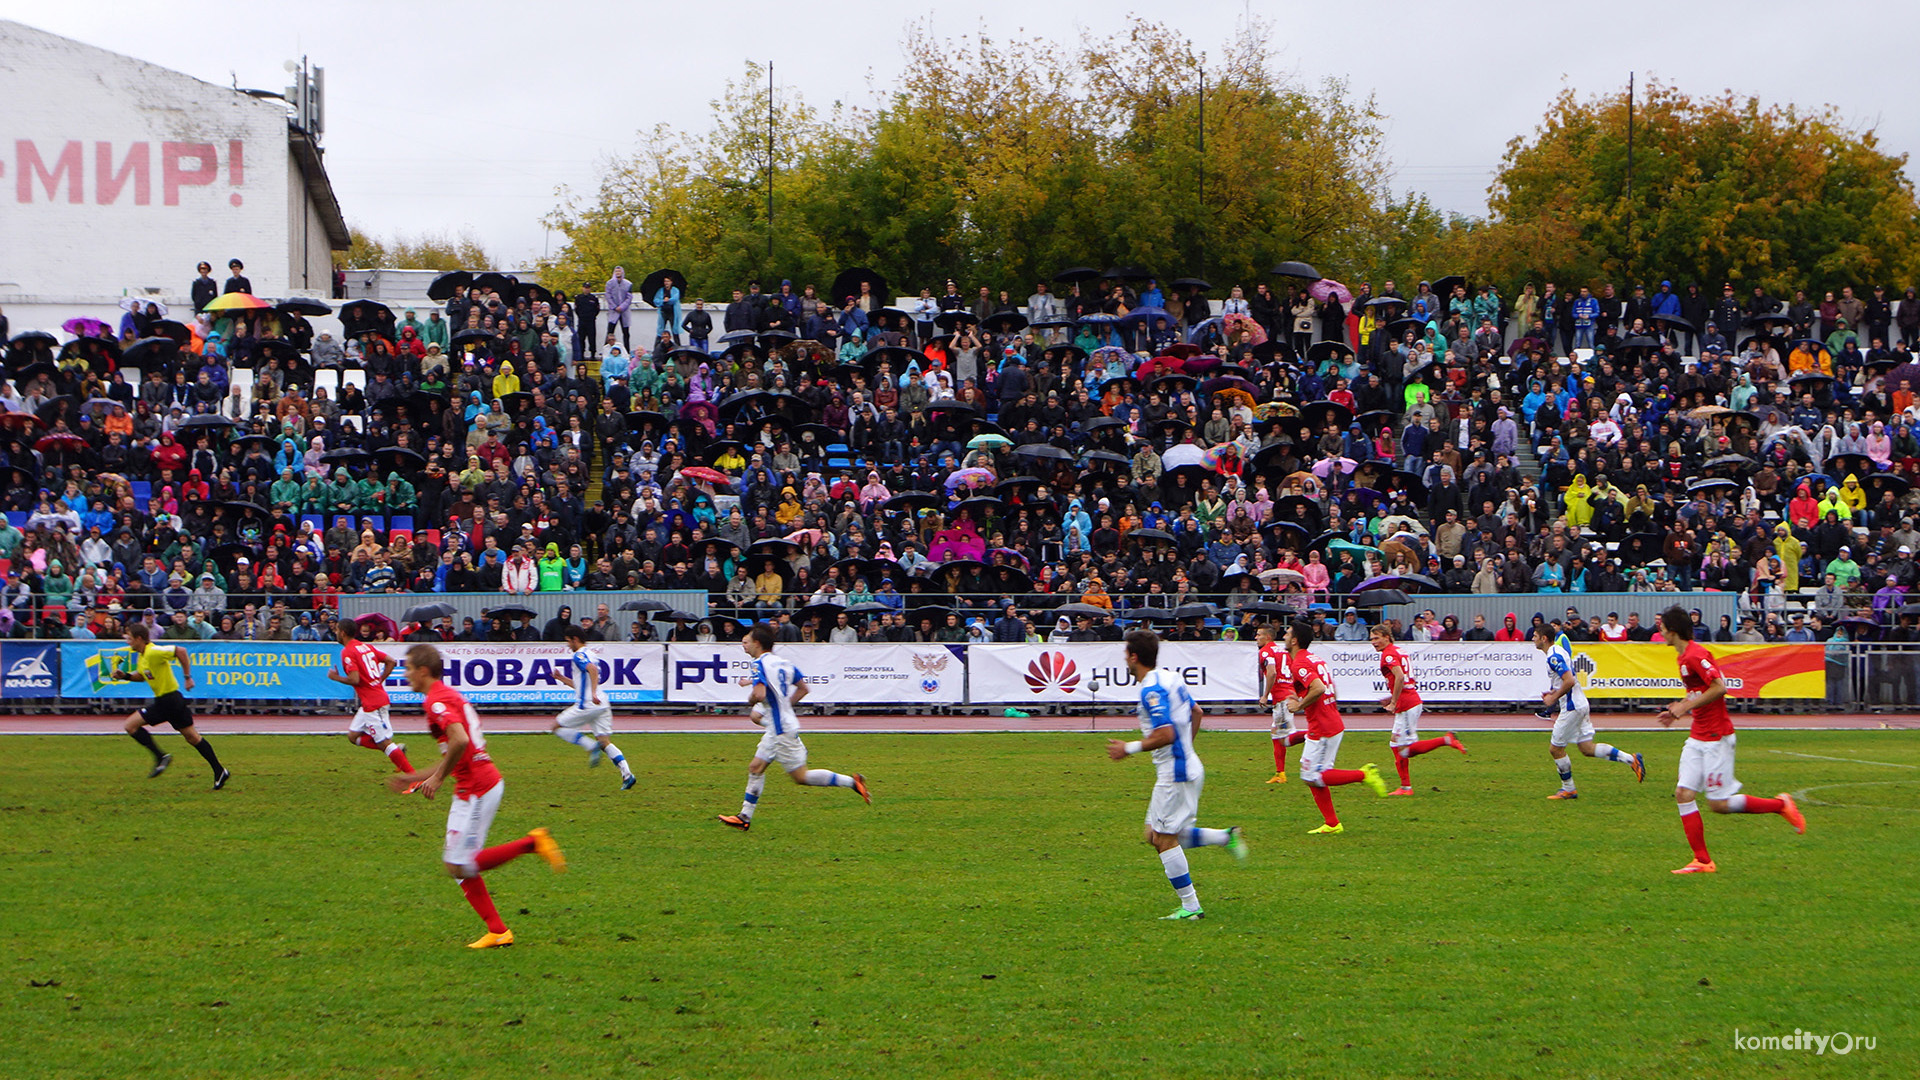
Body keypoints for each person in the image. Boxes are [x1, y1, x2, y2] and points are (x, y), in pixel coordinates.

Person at [386, 643, 566, 948]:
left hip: (480, 787)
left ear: (423, 671)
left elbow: (459, 740)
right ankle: (498, 931)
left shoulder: (437, 701)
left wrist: (437, 778)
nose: (405, 675)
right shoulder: (444, 696)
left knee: (461, 864)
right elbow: (457, 747)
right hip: (469, 787)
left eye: (408, 668)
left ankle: (532, 843)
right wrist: (417, 776)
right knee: (455, 865)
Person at [1104, 629, 1246, 921]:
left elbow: (1166, 734)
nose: (1126, 662)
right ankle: (1225, 838)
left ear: (1134, 657)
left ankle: (1191, 907)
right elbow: (1197, 712)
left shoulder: (1150, 690)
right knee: (1153, 835)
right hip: (1186, 766)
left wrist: (1127, 748)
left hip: (1176, 774)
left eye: (1126, 656)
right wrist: (1187, 749)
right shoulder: (1171, 677)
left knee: (1164, 839)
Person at [1653, 607, 1805, 874]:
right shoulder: (1682, 658)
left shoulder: (1696, 655)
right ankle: (1702, 861)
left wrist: (1684, 708)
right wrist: (1677, 709)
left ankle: (1781, 804)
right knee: (1683, 793)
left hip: (1716, 736)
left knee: (1719, 805)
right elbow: (1699, 692)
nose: (1660, 631)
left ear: (1673, 630)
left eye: (1662, 627)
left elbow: (1720, 687)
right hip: (1698, 735)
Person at [717, 624, 871, 831]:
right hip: (779, 726)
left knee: (801, 777)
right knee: (756, 767)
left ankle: (852, 782)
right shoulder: (784, 663)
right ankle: (744, 817)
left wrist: (751, 698)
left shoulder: (758, 664)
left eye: (748, 640)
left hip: (781, 730)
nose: (746, 644)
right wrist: (784, 708)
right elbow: (803, 688)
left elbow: (759, 694)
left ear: (757, 643)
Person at [1283, 620, 1387, 833]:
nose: (1284, 635)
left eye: (1287, 632)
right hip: (1329, 720)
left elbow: (1319, 688)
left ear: (1294, 640)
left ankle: (1363, 775)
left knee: (1312, 775)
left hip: (1322, 726)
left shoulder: (1299, 663)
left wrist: (1298, 705)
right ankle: (1332, 824)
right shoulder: (1314, 659)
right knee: (1314, 776)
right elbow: (1330, 688)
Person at [114, 621, 229, 789]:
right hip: (171, 701)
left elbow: (180, 651)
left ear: (139, 638)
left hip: (169, 701)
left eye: (129, 638)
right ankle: (220, 771)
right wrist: (125, 676)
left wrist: (187, 676)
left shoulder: (153, 651)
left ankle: (161, 756)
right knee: (192, 738)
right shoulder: (143, 656)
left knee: (130, 726)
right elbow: (143, 676)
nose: (127, 641)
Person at [1534, 624, 1643, 799]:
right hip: (1580, 703)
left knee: (1556, 749)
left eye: (1535, 635)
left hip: (1572, 707)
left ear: (1543, 638)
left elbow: (1569, 680)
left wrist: (1553, 699)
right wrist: (1554, 692)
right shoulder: (1558, 651)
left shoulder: (1553, 656)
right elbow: (1568, 680)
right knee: (1586, 748)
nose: (1533, 639)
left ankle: (1568, 788)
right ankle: (1632, 760)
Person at [1370, 624, 1464, 796]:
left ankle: (1446, 739)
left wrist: (1394, 701)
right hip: (1408, 701)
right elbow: (1407, 679)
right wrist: (1392, 698)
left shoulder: (1388, 654)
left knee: (1405, 749)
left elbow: (1399, 676)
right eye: (1371, 639)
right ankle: (1405, 787)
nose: (1373, 642)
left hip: (1407, 704)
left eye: (1376, 638)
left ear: (1386, 637)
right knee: (1395, 744)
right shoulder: (1399, 650)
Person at [550, 625, 635, 790]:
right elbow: (582, 683)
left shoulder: (578, 655)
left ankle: (589, 746)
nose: (568, 645)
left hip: (589, 703)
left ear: (575, 639)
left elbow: (592, 670)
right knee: (604, 741)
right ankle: (627, 774)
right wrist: (562, 679)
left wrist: (593, 693)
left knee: (556, 727)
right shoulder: (592, 654)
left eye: (568, 641)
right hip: (602, 703)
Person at [326, 617, 412, 775]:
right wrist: (378, 681)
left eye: (337, 630)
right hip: (370, 702)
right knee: (353, 736)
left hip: (374, 704)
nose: (335, 632)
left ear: (343, 633)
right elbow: (391, 661)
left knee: (384, 743)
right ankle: (396, 752)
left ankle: (413, 778)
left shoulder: (348, 652)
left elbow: (355, 679)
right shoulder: (365, 646)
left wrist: (335, 677)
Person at [1255, 623, 1302, 783]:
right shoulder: (1284, 651)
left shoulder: (1266, 651)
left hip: (1282, 698)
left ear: (1268, 637)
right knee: (1276, 733)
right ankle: (1280, 773)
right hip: (1287, 695)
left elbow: (1272, 672)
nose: (1256, 637)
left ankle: (1315, 735)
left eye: (1259, 634)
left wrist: (1265, 695)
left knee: (1285, 736)